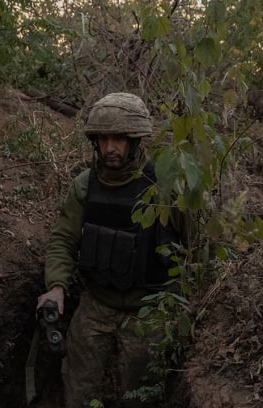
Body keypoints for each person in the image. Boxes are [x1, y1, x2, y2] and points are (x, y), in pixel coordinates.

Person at [36, 92, 190, 407]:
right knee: (78, 393)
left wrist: (182, 304)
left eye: (118, 139)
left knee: (142, 397)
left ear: (135, 140)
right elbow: (64, 239)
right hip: (97, 304)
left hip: (149, 312)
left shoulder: (165, 186)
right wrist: (56, 288)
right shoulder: (84, 186)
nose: (110, 148)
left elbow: (191, 246)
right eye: (103, 139)